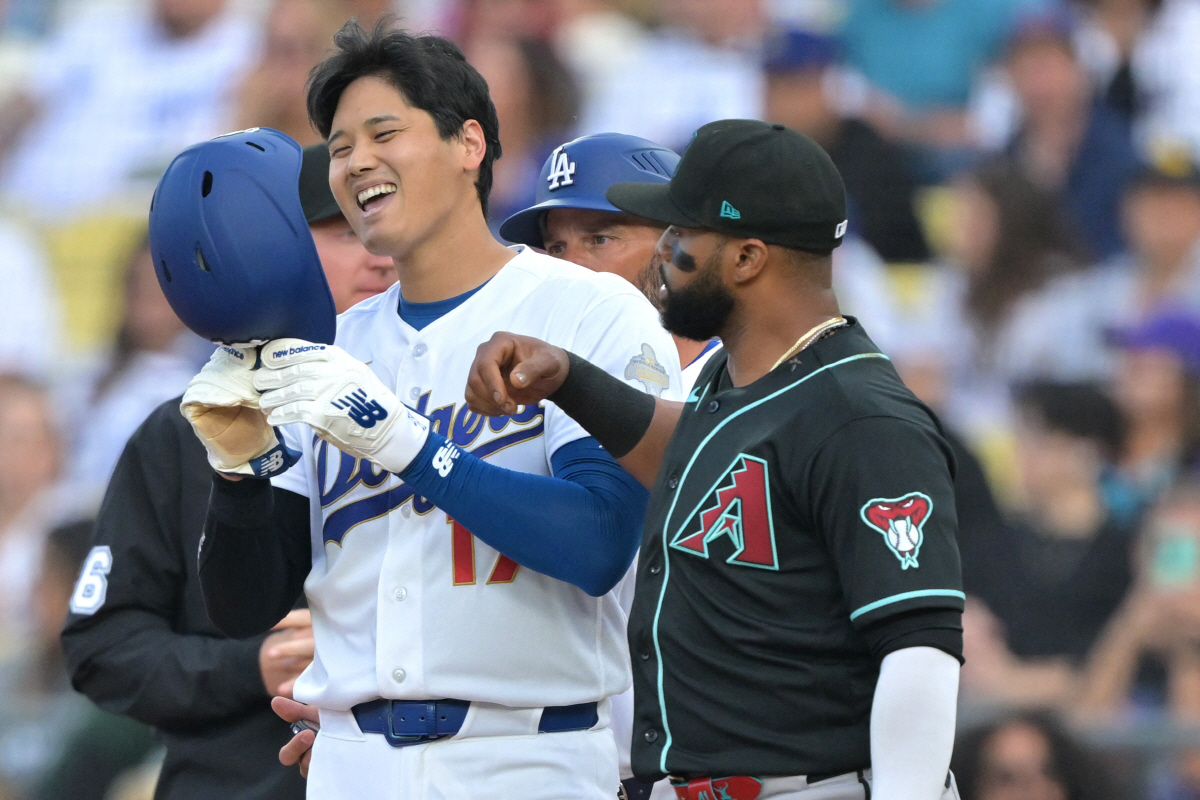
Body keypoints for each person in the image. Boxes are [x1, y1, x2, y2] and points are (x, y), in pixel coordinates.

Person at [184, 22, 679, 800]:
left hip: (527, 755)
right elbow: (245, 604)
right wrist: (240, 474)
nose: (357, 162)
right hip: (352, 763)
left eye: (384, 132)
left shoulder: (584, 309)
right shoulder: (330, 346)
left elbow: (597, 544)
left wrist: (412, 447)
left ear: (469, 144)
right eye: (340, 147)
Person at [466, 119, 964, 799]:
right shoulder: (732, 383)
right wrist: (571, 379)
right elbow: (694, 450)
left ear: (747, 258)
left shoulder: (860, 414)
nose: (665, 250)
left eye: (682, 233)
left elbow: (920, 650)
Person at [58, 143, 393, 800]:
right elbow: (104, 647)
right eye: (345, 232)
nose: (378, 253)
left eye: (382, 228)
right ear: (278, 246)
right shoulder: (184, 430)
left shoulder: (446, 406)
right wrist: (251, 665)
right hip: (233, 781)